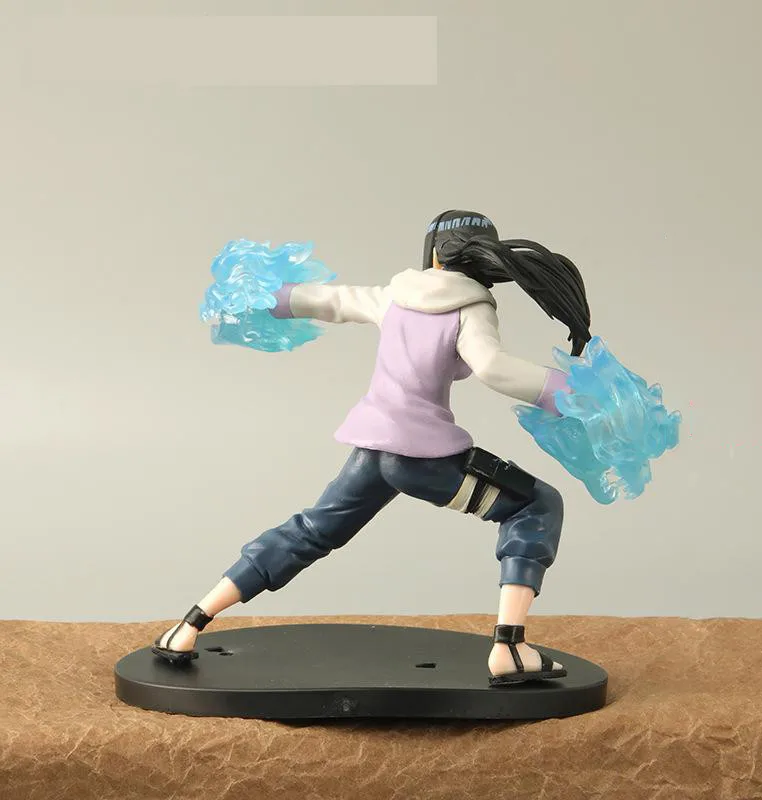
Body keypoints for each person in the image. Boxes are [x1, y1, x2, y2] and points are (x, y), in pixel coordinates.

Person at [153, 209, 592, 685]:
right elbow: (492, 368)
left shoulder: (394, 296)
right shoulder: (471, 308)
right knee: (536, 504)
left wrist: (261, 297)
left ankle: (188, 624)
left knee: (308, 531)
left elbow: (327, 300)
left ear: (432, 255)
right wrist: (571, 393)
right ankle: (509, 647)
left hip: (372, 450)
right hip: (422, 458)